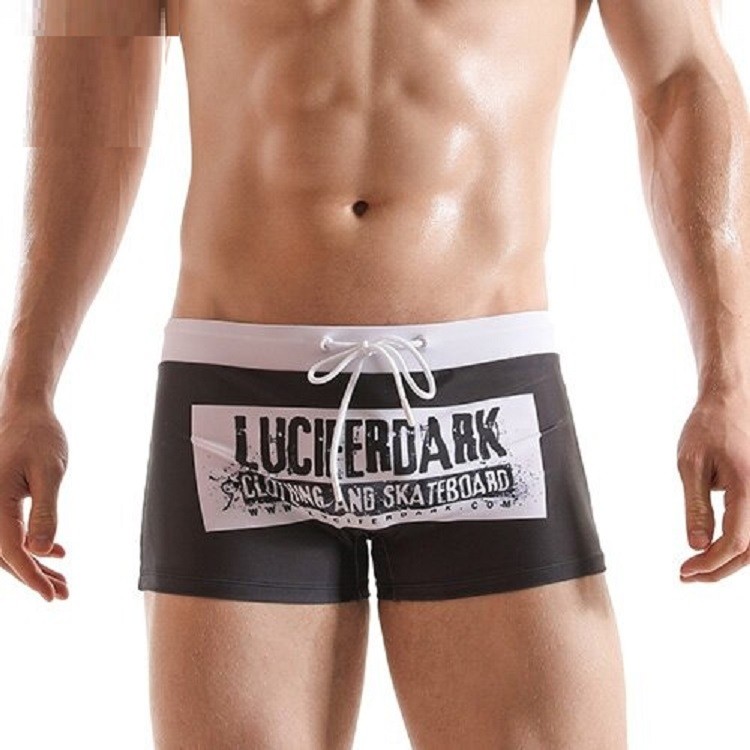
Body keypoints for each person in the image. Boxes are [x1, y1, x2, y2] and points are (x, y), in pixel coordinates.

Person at [2, 1, 748, 747]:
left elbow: (682, 75)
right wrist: (26, 388)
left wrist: (730, 379)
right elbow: (90, 85)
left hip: (482, 394)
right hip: (238, 404)